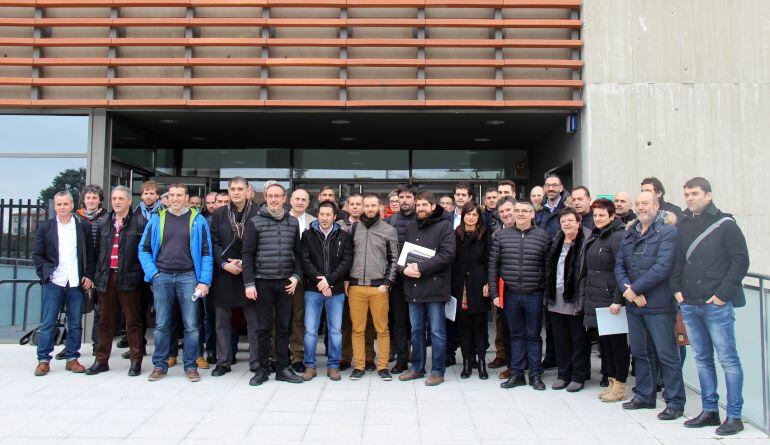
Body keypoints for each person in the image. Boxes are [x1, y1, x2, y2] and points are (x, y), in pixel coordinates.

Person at [672, 177, 750, 436]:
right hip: (690, 304)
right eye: (686, 194)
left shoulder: (726, 224)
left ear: (709, 195)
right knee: (703, 359)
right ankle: (709, 411)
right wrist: (677, 291)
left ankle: (735, 416)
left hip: (715, 304)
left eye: (694, 193)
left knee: (728, 360)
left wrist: (721, 295)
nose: (690, 198)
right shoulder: (684, 224)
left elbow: (740, 261)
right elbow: (678, 260)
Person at [614, 191, 685, 420]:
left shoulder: (668, 231)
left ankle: (675, 402)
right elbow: (619, 265)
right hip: (635, 305)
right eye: (638, 204)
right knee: (641, 352)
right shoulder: (630, 232)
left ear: (656, 205)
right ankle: (645, 395)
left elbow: (663, 267)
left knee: (667, 355)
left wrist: (636, 289)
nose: (641, 207)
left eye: (645, 203)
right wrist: (629, 291)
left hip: (660, 305)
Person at [138, 182, 213, 382]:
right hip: (162, 277)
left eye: (179, 195)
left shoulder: (198, 220)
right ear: (167, 197)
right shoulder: (156, 220)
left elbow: (207, 253)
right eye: (172, 195)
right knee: (161, 324)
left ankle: (190, 366)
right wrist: (153, 274)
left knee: (192, 325)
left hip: (189, 277)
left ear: (187, 198)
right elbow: (143, 249)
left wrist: (204, 281)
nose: (175, 199)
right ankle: (159, 365)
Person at [242, 180, 304, 385]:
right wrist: (249, 283)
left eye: (278, 196)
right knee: (264, 328)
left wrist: (296, 276)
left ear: (284, 198)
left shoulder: (292, 222)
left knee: (284, 327)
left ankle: (283, 368)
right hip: (262, 283)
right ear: (265, 198)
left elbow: (298, 254)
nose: (274, 199)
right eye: (270, 196)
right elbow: (247, 255)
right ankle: (261, 369)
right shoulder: (255, 222)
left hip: (286, 283)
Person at [32, 191, 95, 376]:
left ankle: (72, 358)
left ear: (72, 205)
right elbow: (37, 255)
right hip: (54, 282)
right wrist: (46, 274)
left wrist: (89, 275)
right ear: (55, 206)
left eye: (65, 204)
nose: (62, 207)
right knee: (48, 322)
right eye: (59, 204)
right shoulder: (46, 227)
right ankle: (43, 360)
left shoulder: (82, 225)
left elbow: (90, 253)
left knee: (75, 323)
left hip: (75, 282)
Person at [85, 186, 147, 377]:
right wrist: (95, 276)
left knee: (133, 321)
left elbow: (146, 251)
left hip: (130, 276)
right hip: (107, 277)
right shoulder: (105, 222)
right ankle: (101, 360)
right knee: (105, 321)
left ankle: (135, 361)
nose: (117, 202)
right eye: (113, 199)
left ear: (130, 201)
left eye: (121, 198)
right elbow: (96, 251)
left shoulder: (140, 222)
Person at [489, 200, 550, 391]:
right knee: (515, 335)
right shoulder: (502, 236)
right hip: (510, 294)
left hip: (534, 294)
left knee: (533, 336)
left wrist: (546, 294)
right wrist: (494, 293)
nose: (521, 214)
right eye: (517, 211)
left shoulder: (543, 236)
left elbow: (548, 267)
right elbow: (493, 267)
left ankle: (535, 374)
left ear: (533, 214)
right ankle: (516, 374)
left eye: (525, 210)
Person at [398, 191, 455, 386]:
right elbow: (402, 255)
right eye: (419, 205)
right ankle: (417, 368)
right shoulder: (411, 226)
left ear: (433, 206)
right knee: (416, 331)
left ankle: (438, 371)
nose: (421, 208)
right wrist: (404, 269)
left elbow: (447, 254)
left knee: (437, 332)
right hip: (413, 287)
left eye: (425, 205)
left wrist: (420, 268)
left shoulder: (444, 225)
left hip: (435, 288)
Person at [207, 177, 261, 378]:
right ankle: (223, 361)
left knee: (254, 322)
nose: (236, 192)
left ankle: (255, 361)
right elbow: (213, 243)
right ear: (228, 192)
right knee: (222, 322)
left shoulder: (258, 212)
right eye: (233, 189)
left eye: (240, 189)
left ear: (248, 191)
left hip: (250, 273)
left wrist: (244, 264)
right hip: (224, 274)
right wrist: (224, 264)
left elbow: (263, 242)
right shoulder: (219, 214)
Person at [347, 193, 399, 381]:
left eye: (372, 205)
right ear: (361, 207)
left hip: (379, 288)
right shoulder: (353, 229)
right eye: (366, 205)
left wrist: (388, 283)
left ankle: (382, 366)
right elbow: (347, 258)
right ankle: (359, 366)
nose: (369, 209)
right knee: (357, 329)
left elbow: (394, 259)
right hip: (356, 287)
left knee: (382, 329)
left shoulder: (388, 230)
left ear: (379, 207)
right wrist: (347, 281)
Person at [299, 201, 354, 381]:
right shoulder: (308, 235)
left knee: (335, 330)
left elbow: (346, 262)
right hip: (312, 290)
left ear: (334, 217)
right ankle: (310, 366)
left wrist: (328, 281)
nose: (324, 218)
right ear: (318, 215)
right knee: (310, 331)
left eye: (328, 215)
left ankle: (333, 366)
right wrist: (320, 281)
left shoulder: (344, 236)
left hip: (335, 290)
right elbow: (305, 261)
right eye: (321, 214)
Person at [580, 198, 628, 402]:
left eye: (602, 215)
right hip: (598, 298)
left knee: (617, 344)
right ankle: (611, 382)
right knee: (605, 344)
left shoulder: (617, 237)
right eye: (596, 215)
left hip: (612, 300)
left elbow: (622, 268)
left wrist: (618, 299)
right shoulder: (598, 235)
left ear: (611, 216)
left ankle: (621, 385)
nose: (598, 219)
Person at [544, 207, 590, 392]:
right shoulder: (557, 240)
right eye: (563, 221)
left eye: (570, 220)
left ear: (578, 222)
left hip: (576, 298)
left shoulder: (586, 241)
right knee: (560, 339)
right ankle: (563, 374)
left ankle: (578, 376)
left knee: (578, 340)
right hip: (557, 299)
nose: (566, 224)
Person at [451, 202, 490, 380]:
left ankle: (481, 364)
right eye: (468, 214)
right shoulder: (455, 235)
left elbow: (490, 261)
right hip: (460, 287)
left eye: (475, 215)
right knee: (464, 328)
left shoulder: (484, 235)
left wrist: (489, 282)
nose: (471, 217)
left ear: (479, 217)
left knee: (480, 328)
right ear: (463, 216)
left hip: (478, 286)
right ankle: (467, 364)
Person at [74, 184, 108, 357]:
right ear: (83, 200)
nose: (91, 201)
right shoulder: (76, 218)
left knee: (99, 309)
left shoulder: (106, 218)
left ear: (100, 200)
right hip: (79, 269)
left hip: (100, 269)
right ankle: (71, 346)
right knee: (74, 309)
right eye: (88, 198)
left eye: (94, 198)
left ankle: (97, 343)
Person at [386, 185, 417, 374]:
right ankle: (401, 359)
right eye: (401, 197)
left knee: (417, 322)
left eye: (408, 197)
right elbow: (387, 250)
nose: (404, 200)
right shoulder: (390, 221)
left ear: (414, 198)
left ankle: (418, 359)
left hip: (419, 278)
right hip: (398, 279)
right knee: (398, 321)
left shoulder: (424, 219)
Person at [288, 188, 317, 373]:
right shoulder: (280, 218)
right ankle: (277, 355)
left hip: (304, 277)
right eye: (296, 198)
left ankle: (297, 355)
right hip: (281, 275)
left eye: (303, 199)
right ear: (290, 200)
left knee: (299, 317)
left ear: (308, 203)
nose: (299, 202)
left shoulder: (314, 222)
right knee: (279, 318)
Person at [487, 196, 515, 375]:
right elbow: (491, 263)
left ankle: (519, 363)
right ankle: (506, 358)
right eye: (502, 211)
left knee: (519, 329)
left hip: (523, 287)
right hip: (501, 287)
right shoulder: (496, 234)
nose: (505, 214)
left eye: (508, 210)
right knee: (502, 325)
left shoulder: (531, 231)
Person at [535, 174, 568, 240]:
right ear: (544, 188)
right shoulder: (537, 211)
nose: (551, 189)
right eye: (548, 185)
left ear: (561, 188)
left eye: (554, 185)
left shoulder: (567, 209)